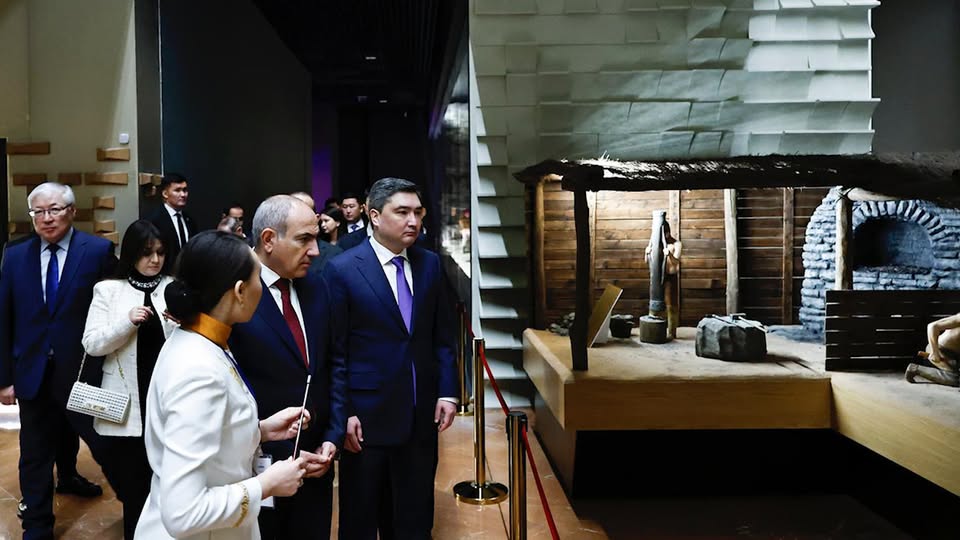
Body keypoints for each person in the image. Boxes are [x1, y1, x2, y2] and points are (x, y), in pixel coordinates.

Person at [135, 231, 309, 539]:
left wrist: (259, 430)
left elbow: (209, 434)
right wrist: (267, 484)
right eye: (258, 279)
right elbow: (183, 513)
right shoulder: (198, 371)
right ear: (240, 291)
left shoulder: (202, 338)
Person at [324, 177, 457, 539]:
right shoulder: (343, 269)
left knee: (414, 517)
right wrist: (344, 411)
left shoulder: (429, 264)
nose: (413, 221)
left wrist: (447, 391)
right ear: (374, 216)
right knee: (362, 517)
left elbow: (442, 337)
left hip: (420, 415)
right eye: (402, 212)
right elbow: (336, 350)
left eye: (418, 212)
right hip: (366, 419)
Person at [0, 182, 117, 539]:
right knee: (35, 451)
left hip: (83, 369)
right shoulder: (15, 254)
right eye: (38, 212)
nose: (46, 218)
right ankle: (36, 524)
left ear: (72, 211)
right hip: (32, 369)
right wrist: (4, 378)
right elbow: (4, 317)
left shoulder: (96, 251)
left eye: (54, 209)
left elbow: (113, 310)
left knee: (100, 442)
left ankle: (131, 501)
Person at [230, 196, 346, 539]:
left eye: (316, 238)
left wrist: (332, 436)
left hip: (317, 461)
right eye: (304, 239)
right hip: (257, 466)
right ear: (269, 239)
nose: (315, 251)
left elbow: (334, 364)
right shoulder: (234, 294)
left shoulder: (317, 287)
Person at [81, 220, 177, 539]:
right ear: (132, 253)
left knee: (170, 481)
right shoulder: (109, 290)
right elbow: (92, 344)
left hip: (168, 399)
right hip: (127, 404)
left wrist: (179, 324)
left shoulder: (173, 287)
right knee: (134, 485)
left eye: (161, 252)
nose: (155, 260)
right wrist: (127, 322)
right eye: (147, 252)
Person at [146, 173, 197, 273]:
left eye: (185, 190)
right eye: (177, 190)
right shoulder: (154, 220)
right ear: (165, 194)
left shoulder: (189, 220)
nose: (183, 195)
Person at [290, 192, 342, 274]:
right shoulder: (276, 251)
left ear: (316, 218)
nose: (296, 218)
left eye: (302, 213)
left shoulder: (334, 254)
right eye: (291, 213)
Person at [904, 313, 960, 387]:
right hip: (939, 350)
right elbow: (932, 326)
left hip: (954, 356)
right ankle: (915, 369)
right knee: (956, 380)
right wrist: (934, 352)